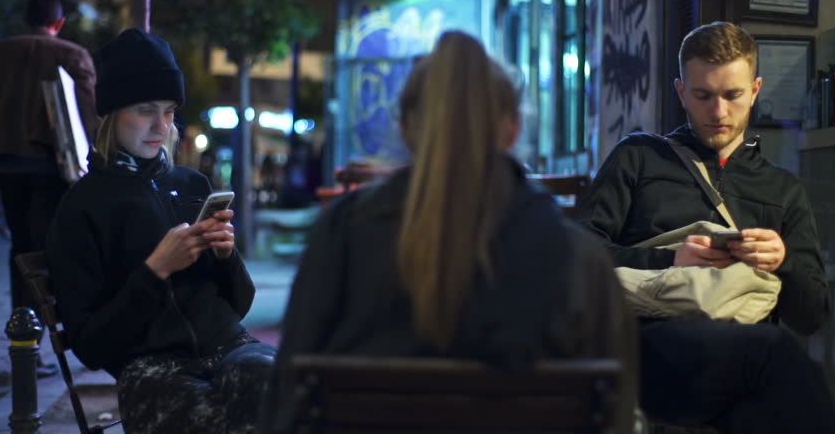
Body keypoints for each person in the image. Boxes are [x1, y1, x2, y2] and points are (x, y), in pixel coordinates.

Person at [259, 31, 637, 433]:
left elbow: (287, 399)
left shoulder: (345, 233)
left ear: (405, 129)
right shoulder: (579, 258)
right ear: (512, 129)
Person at [577, 21, 835, 433]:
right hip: (651, 346)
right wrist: (669, 259)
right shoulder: (639, 157)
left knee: (757, 406)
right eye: (703, 96)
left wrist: (783, 261)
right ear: (682, 92)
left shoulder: (783, 190)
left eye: (733, 95)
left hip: (741, 361)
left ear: (755, 90)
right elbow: (577, 255)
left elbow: (811, 318)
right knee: (775, 354)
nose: (718, 112)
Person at [46, 28, 275, 434]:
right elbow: (91, 345)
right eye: (145, 109)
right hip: (150, 365)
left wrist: (226, 256)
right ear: (112, 113)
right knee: (211, 417)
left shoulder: (192, 186)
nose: (161, 125)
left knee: (280, 390)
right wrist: (154, 272)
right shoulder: (82, 207)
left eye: (169, 110)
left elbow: (238, 305)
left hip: (227, 344)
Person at [0, 0, 98, 377]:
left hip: (6, 162)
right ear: (60, 22)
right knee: (51, 249)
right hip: (53, 165)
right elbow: (87, 112)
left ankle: (25, 343)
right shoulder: (72, 55)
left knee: (21, 247)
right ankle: (51, 341)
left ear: (25, 18)